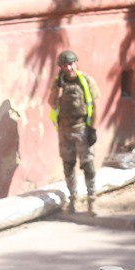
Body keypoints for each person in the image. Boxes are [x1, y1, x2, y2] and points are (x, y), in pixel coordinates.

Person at [49, 50, 99, 215]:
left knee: (88, 165)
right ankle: (73, 199)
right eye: (64, 65)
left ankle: (92, 200)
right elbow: (52, 104)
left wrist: (93, 129)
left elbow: (95, 105)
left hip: (82, 129)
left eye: (70, 64)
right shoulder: (59, 83)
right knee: (68, 165)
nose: (68, 67)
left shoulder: (86, 81)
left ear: (76, 63)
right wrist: (57, 88)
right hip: (64, 130)